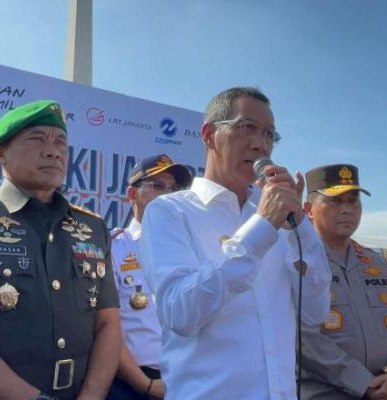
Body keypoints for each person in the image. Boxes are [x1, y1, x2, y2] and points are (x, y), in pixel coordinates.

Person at [138, 86, 331, 399]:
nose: (260, 144)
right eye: (247, 128)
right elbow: (179, 313)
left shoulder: (280, 215)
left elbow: (316, 312)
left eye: (269, 135)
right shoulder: (169, 211)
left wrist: (303, 229)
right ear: (209, 135)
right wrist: (261, 229)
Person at [0, 100, 121, 400]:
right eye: (37, 139)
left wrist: (92, 396)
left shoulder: (92, 228)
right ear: (1, 153)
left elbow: (108, 325)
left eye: (60, 142)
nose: (53, 151)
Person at [300, 164, 387, 400]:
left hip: (386, 391)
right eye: (335, 201)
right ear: (309, 209)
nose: (346, 209)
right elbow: (302, 337)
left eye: (353, 201)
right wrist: (364, 383)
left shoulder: (375, 262)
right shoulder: (297, 261)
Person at [107, 154, 192, 400]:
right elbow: (106, 327)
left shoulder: (190, 247)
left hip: (187, 379)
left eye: (174, 188)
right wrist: (144, 384)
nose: (168, 195)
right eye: (158, 186)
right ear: (132, 194)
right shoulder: (113, 247)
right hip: (132, 383)